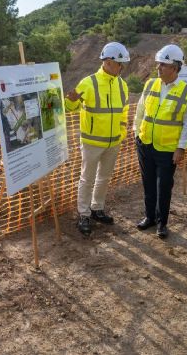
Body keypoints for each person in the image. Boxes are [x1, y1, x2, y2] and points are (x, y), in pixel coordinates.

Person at [65, 42, 130, 236]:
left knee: (104, 178)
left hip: (113, 143)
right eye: (120, 64)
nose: (122, 68)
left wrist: (122, 133)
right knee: (87, 179)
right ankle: (84, 214)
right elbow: (70, 108)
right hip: (92, 143)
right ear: (109, 62)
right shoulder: (88, 82)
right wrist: (71, 100)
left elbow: (124, 112)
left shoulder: (122, 85)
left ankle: (97, 209)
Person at [133, 44, 187, 239]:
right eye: (158, 64)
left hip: (168, 149)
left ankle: (162, 223)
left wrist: (181, 148)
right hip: (145, 143)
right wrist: (136, 132)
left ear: (175, 68)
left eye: (163, 65)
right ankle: (149, 217)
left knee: (163, 187)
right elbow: (140, 111)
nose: (158, 68)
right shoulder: (151, 84)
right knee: (148, 184)